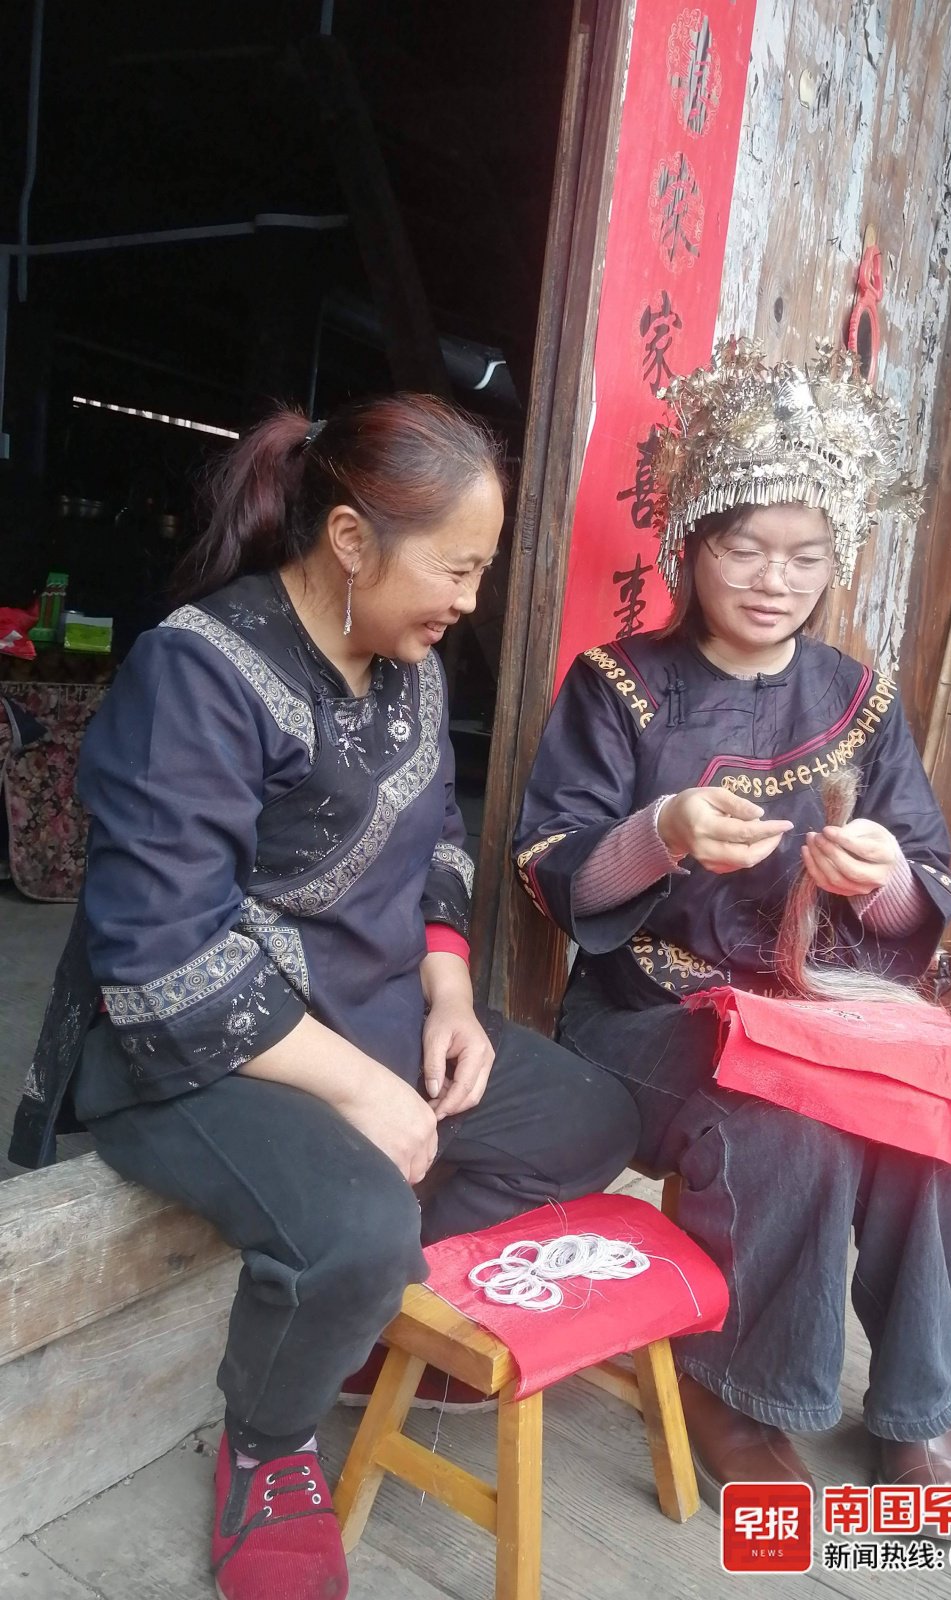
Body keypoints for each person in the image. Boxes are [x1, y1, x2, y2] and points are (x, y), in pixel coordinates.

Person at [12, 396, 639, 1600]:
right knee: (358, 1226)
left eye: (481, 568)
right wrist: (370, 1092)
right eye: (455, 566)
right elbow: (159, 964)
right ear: (351, 540)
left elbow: (438, 848)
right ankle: (267, 1444)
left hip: (375, 1016)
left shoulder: (403, 663)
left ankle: (352, 1330)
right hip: (187, 1054)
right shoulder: (198, 670)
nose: (468, 597)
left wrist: (449, 998)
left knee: (594, 1118)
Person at [514, 341, 951, 1506]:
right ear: (691, 544)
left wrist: (875, 875)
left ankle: (920, 1403)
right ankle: (738, 1387)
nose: (776, 579)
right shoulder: (619, 684)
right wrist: (665, 829)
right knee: (795, 1120)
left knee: (937, 1105)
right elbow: (552, 872)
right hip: (651, 1008)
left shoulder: (857, 697)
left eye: (808, 555)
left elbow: (920, 877)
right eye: (746, 548)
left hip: (816, 1002)